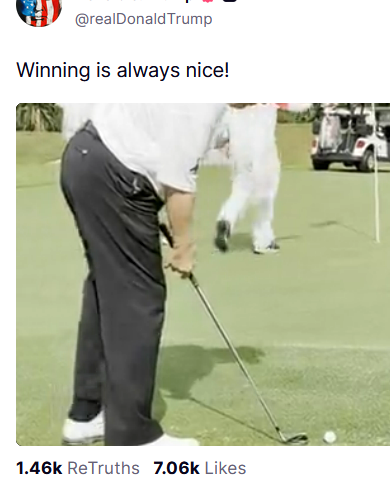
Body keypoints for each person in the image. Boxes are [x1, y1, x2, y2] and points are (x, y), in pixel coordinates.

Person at [58, 103, 228, 446]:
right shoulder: (202, 103)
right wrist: (184, 246)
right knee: (138, 298)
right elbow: (178, 183)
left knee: (107, 290)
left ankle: (87, 414)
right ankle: (132, 439)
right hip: (111, 172)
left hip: (87, 159)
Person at [214, 103, 312, 254]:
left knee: (241, 189)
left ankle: (226, 218)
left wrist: (225, 141)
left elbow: (224, 123)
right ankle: (263, 240)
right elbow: (299, 105)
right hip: (262, 150)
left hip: (239, 150)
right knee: (266, 193)